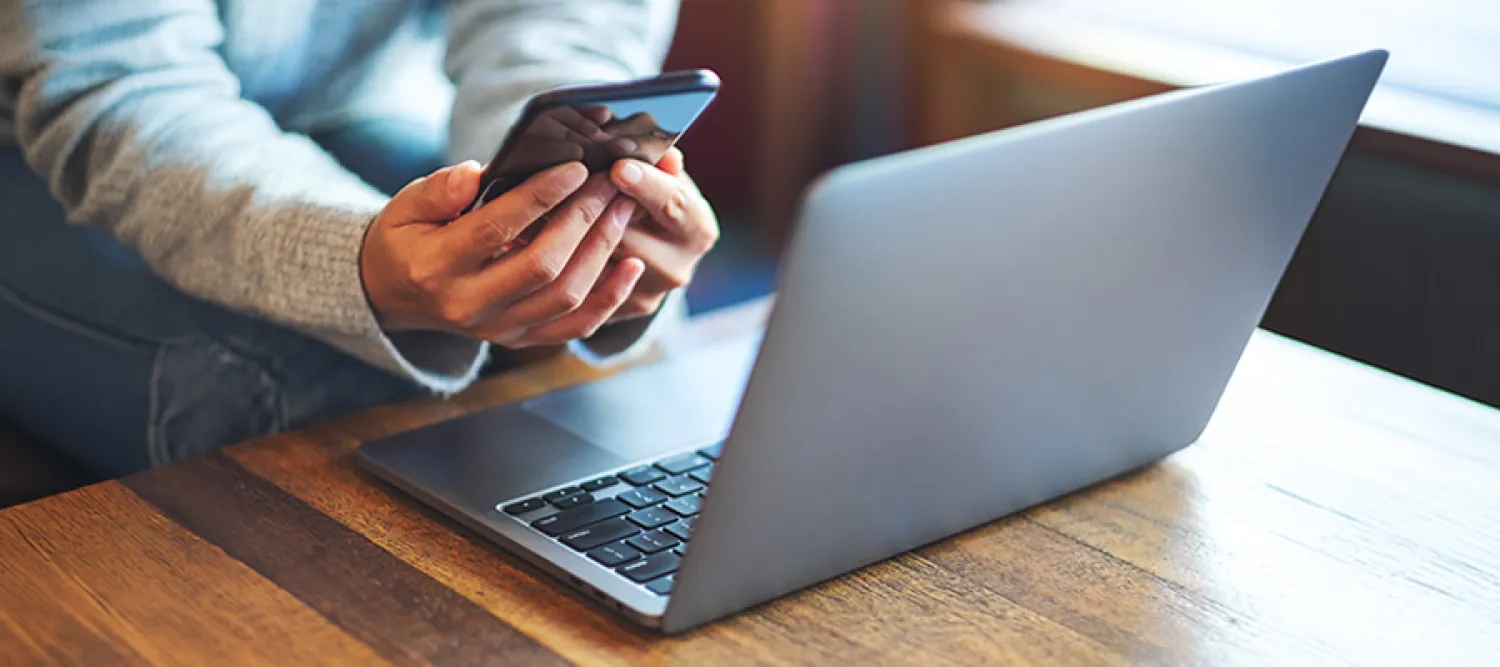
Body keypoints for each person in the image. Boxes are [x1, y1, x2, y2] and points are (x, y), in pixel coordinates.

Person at [0, 0, 720, 478]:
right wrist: (353, 265)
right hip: (34, 139)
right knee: (312, 405)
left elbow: (557, 21)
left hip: (342, 105)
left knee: (616, 359)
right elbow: (115, 81)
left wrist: (587, 195)